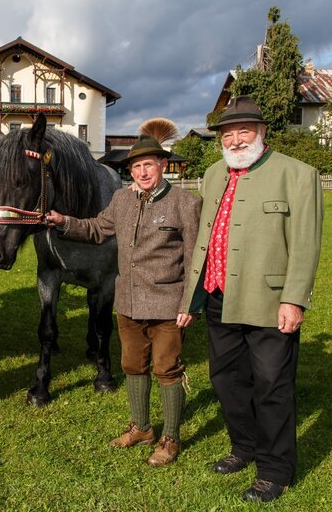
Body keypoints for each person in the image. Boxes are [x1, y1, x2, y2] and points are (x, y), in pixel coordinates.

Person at [180, 95, 323, 502]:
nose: (236, 139)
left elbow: (306, 243)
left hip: (270, 300)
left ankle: (275, 470)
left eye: (245, 131)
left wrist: (294, 299)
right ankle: (244, 448)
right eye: (228, 133)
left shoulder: (297, 174)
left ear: (262, 133)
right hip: (218, 296)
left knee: (272, 386)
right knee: (227, 381)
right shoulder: (212, 174)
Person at [46, 118, 201, 467]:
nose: (142, 172)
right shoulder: (122, 199)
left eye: (148, 164)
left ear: (162, 165)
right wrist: (63, 221)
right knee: (133, 365)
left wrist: (192, 303)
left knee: (167, 369)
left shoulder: (184, 203)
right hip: (127, 302)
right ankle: (142, 427)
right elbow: (98, 228)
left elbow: (195, 256)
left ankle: (171, 438)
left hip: (168, 305)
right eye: (136, 166)